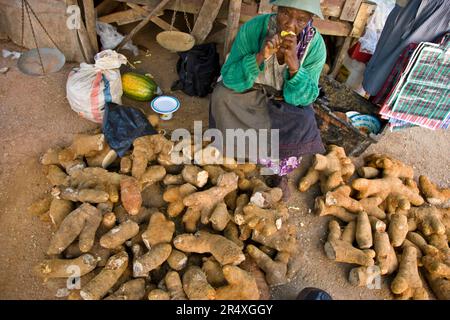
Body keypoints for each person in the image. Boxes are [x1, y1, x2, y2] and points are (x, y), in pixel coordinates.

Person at [209, 0, 327, 195]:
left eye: (301, 19)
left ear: (310, 21)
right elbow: (230, 76)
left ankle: (280, 171)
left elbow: (305, 97)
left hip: (284, 102)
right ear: (276, 10)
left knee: (304, 118)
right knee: (222, 96)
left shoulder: (316, 46)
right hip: (252, 93)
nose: (290, 24)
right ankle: (240, 152)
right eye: (286, 14)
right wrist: (259, 56)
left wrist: (294, 66)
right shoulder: (253, 29)